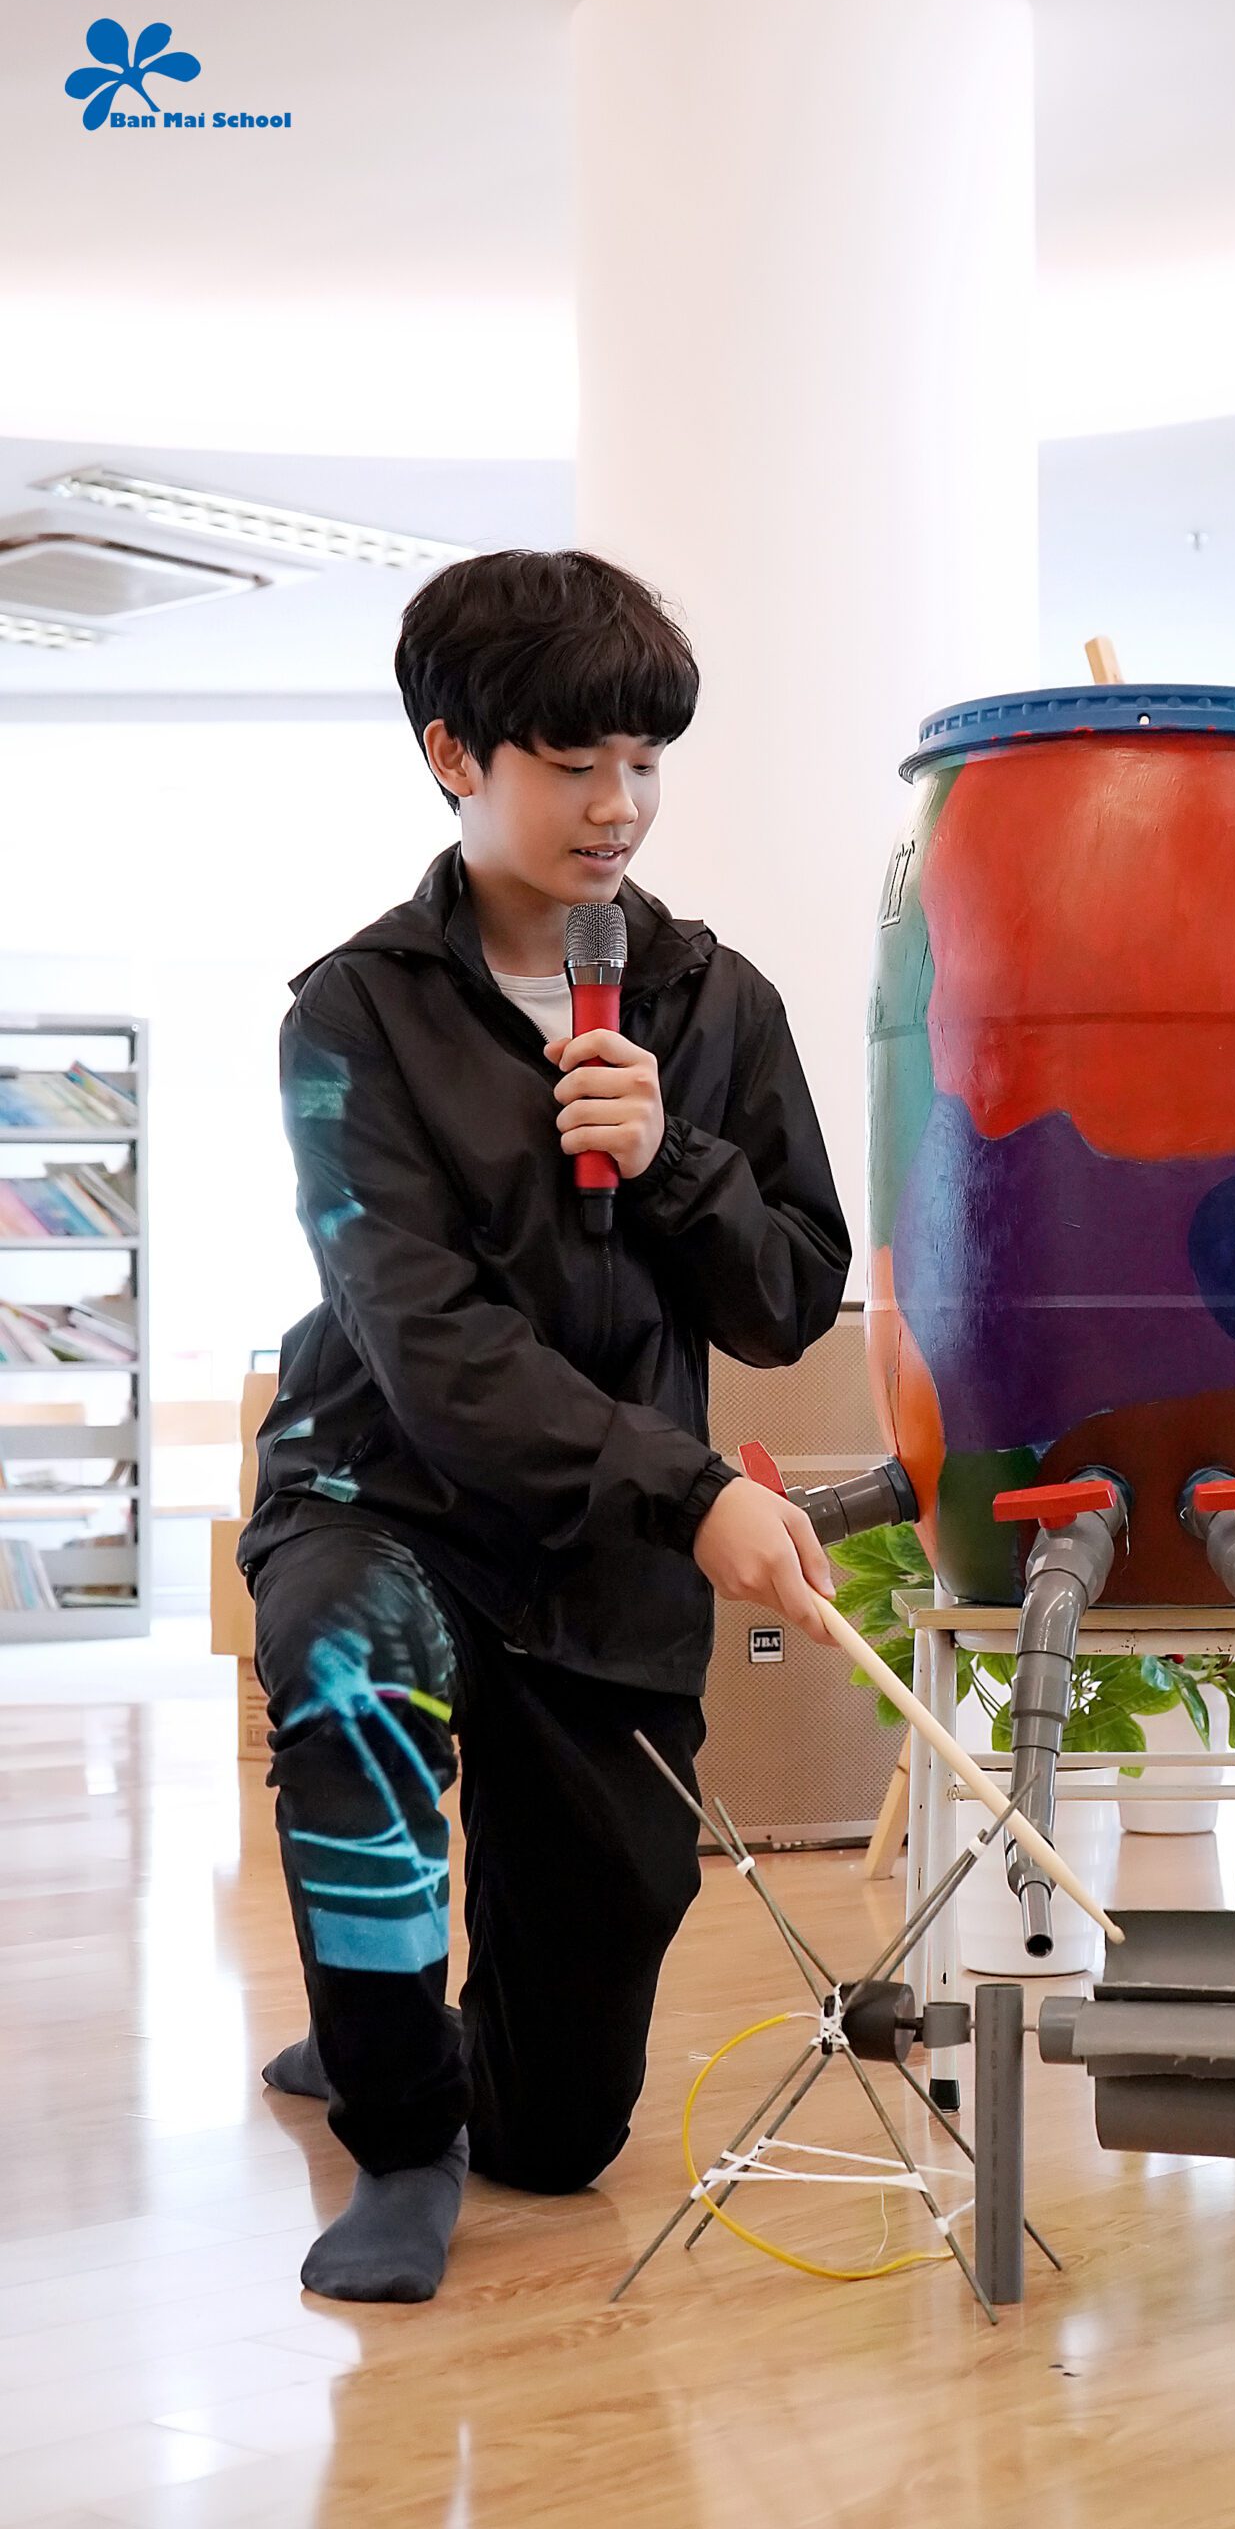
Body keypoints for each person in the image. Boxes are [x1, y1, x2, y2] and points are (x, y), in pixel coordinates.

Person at [237, 548, 851, 2303]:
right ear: (455, 755)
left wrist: (674, 1160)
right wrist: (691, 1490)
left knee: (563, 2134)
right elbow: (429, 1346)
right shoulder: (352, 1014)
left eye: (644, 762)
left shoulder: (716, 1003)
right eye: (574, 763)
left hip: (601, 1561)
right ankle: (394, 2125)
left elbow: (790, 1297)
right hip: (389, 1497)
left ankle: (408, 2031)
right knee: (350, 1673)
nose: (619, 806)